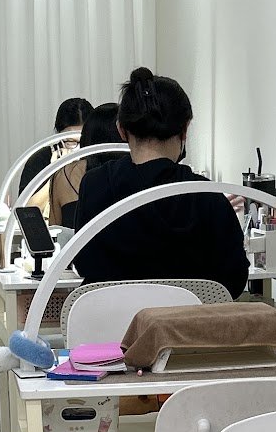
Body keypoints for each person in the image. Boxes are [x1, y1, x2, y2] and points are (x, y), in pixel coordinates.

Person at [71, 68, 249, 298]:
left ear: (121, 130)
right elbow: (234, 280)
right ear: (185, 129)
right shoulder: (207, 194)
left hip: (115, 332)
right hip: (189, 331)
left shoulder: (94, 185)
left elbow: (83, 263)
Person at [20, 96, 92, 227]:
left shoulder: (96, 160)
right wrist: (56, 170)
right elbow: (27, 211)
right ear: (59, 135)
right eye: (70, 141)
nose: (78, 148)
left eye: (83, 142)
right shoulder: (40, 159)